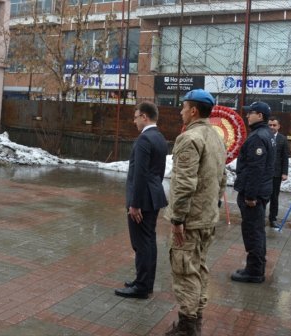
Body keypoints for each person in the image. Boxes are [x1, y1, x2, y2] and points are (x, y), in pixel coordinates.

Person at [163, 89, 226, 336]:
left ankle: (188, 327)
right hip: (207, 217)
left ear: (193, 110)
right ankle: (194, 320)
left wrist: (177, 219)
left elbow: (183, 183)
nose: (180, 111)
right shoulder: (216, 137)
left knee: (184, 270)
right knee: (198, 267)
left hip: (190, 219)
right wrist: (213, 207)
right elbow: (222, 179)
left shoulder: (190, 138)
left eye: (183, 107)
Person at [115, 101, 168, 300]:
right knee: (148, 242)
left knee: (142, 244)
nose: (134, 120)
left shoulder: (145, 139)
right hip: (153, 197)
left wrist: (134, 204)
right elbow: (159, 172)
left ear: (144, 117)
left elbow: (140, 174)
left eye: (136, 116)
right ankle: (144, 282)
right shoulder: (160, 138)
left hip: (142, 201)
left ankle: (142, 287)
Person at [231, 101, 275, 284]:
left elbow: (256, 169)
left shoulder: (258, 137)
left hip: (254, 194)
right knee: (256, 230)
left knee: (253, 232)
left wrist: (250, 196)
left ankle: (255, 271)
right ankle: (255, 267)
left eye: (251, 112)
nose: (247, 115)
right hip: (261, 191)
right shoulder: (266, 134)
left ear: (261, 116)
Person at [267, 117, 290, 229]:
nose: (272, 127)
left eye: (274, 125)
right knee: (262, 196)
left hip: (276, 174)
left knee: (274, 197)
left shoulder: (282, 139)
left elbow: (285, 158)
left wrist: (284, 173)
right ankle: (259, 217)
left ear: (278, 126)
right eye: (270, 125)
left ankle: (273, 219)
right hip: (264, 173)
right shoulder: (263, 137)